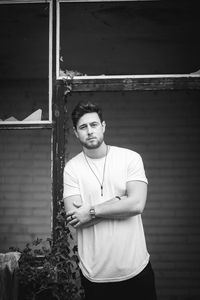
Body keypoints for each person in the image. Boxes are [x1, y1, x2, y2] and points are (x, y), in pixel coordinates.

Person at [63, 101, 157, 300]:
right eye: (83, 127)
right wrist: (120, 201)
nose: (89, 131)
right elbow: (75, 218)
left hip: (136, 269)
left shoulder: (130, 158)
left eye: (94, 125)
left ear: (103, 126)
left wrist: (91, 211)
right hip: (95, 275)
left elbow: (137, 204)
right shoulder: (72, 168)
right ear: (75, 132)